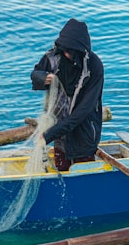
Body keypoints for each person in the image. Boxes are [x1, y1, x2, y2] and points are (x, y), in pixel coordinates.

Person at [30, 18, 105, 171]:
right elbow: (35, 73)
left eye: (70, 51)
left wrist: (49, 134)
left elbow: (83, 111)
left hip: (84, 131)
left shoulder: (94, 66)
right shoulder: (54, 57)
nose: (66, 54)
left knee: (83, 172)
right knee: (62, 168)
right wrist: (43, 78)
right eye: (64, 50)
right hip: (60, 132)